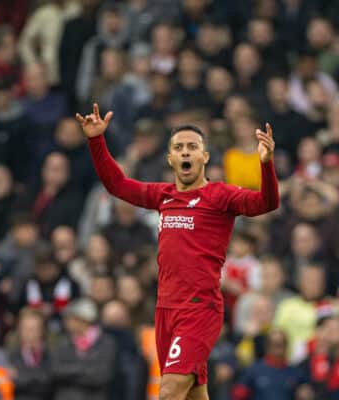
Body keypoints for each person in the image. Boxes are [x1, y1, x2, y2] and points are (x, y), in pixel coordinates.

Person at [77, 103, 279, 399]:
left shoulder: (220, 196)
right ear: (170, 158)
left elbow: (267, 203)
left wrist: (266, 163)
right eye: (179, 147)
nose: (185, 152)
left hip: (199, 308)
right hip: (165, 309)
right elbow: (117, 184)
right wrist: (96, 140)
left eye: (192, 147)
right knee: (193, 395)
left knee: (169, 391)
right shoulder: (164, 196)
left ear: (205, 157)